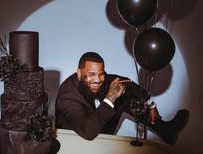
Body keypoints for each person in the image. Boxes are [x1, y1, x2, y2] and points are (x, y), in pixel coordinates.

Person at [55, 52, 189, 145]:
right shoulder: (67, 96)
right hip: (78, 142)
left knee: (124, 97)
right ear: (79, 73)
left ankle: (166, 130)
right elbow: (88, 132)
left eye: (101, 74)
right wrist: (110, 97)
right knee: (115, 98)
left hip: (98, 132)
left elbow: (127, 83)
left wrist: (151, 104)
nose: (97, 79)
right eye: (91, 74)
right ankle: (166, 130)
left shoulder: (102, 79)